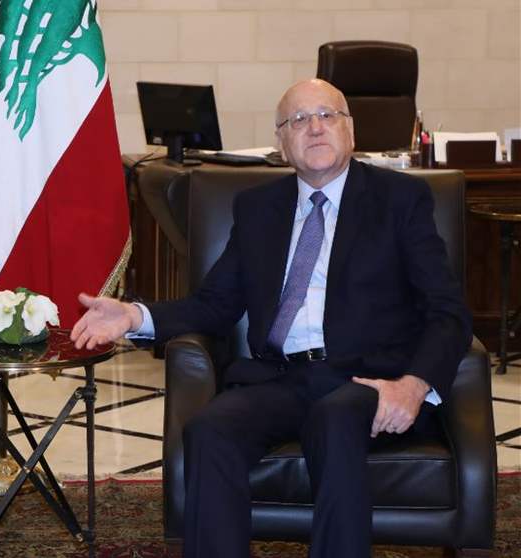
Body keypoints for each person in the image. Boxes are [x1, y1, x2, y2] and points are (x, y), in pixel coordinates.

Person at [71, 79, 471, 558]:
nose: (315, 128)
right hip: (283, 378)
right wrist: (134, 315)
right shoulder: (259, 207)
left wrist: (413, 385)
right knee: (210, 429)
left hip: (367, 380)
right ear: (281, 142)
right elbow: (215, 304)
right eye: (298, 120)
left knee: (335, 418)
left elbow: (447, 311)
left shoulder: (400, 199)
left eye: (327, 115)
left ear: (350, 130)